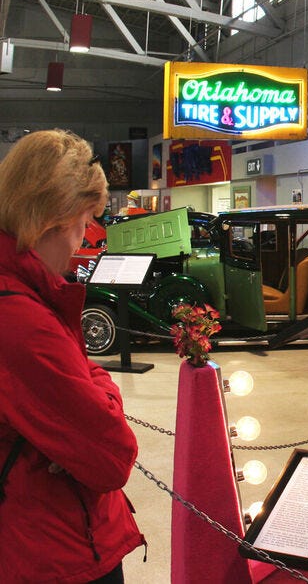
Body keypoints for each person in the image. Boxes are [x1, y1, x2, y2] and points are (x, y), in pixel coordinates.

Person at [0, 130, 144, 583]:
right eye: (85, 222)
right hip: (54, 549)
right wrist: (102, 388)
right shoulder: (21, 319)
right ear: (54, 220)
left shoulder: (24, 297)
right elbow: (112, 455)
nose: (83, 240)